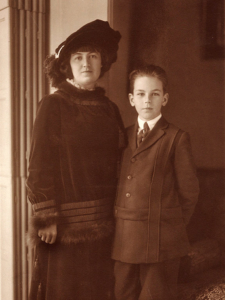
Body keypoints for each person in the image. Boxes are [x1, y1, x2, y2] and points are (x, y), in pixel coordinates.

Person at [26, 19, 125, 300]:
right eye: (78, 57)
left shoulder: (110, 109)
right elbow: (38, 165)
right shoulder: (53, 105)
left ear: (102, 62)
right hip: (64, 230)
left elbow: (121, 165)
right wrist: (46, 217)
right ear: (66, 65)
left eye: (93, 56)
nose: (86, 63)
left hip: (106, 228)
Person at [111, 64, 199, 300]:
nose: (147, 100)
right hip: (125, 240)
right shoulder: (122, 136)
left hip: (161, 243)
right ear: (131, 99)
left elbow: (189, 194)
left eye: (154, 94)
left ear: (165, 98)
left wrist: (168, 228)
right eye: (140, 94)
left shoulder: (176, 138)